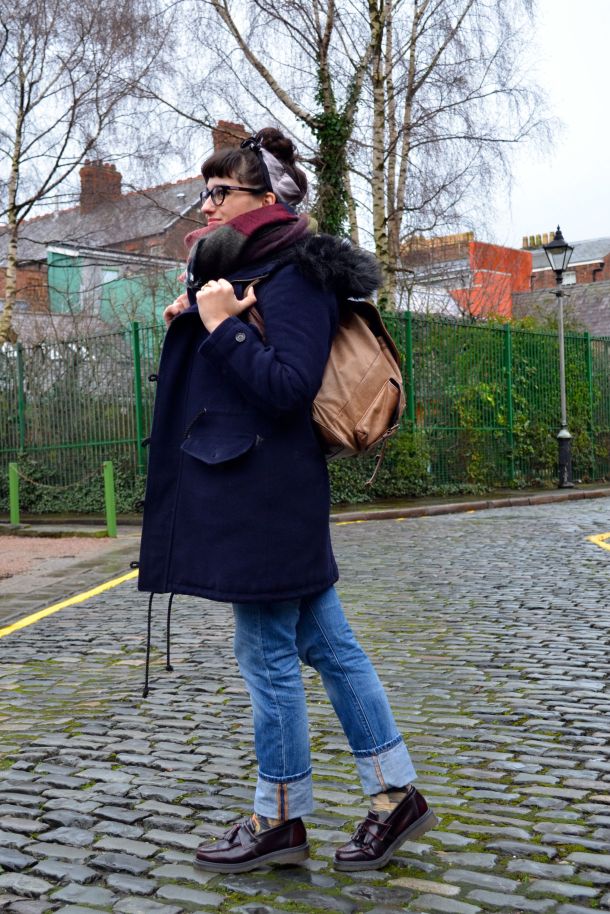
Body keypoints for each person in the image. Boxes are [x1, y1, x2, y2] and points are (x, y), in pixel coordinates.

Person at [138, 127, 437, 874]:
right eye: (201, 192)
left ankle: (279, 817)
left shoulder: (294, 273)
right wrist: (198, 317)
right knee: (327, 646)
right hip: (252, 491)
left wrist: (218, 329)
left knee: (267, 656)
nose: (204, 206)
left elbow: (288, 387)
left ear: (265, 200)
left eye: (219, 193)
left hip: (267, 497)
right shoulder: (237, 271)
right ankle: (394, 794)